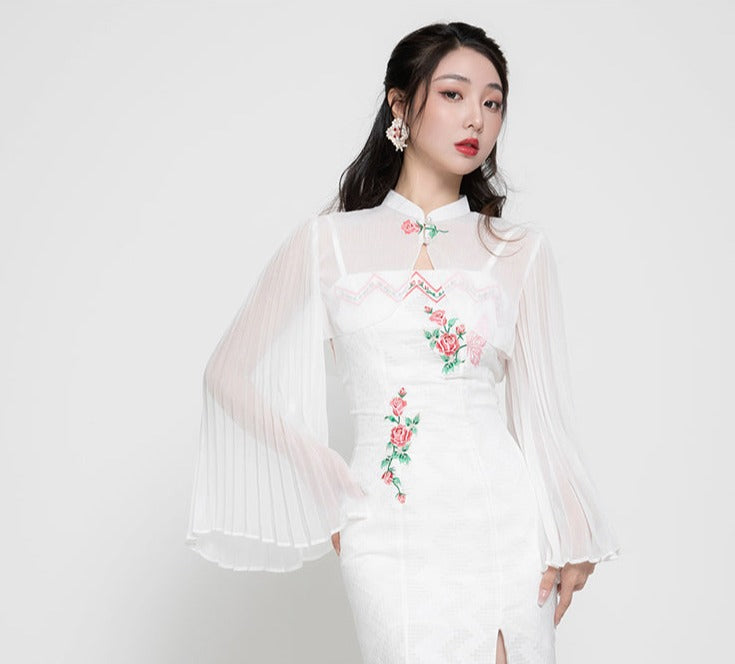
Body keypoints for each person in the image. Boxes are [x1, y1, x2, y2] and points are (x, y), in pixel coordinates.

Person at [185, 21, 621, 664]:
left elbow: (543, 413)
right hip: (386, 526)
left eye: (493, 102)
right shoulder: (327, 243)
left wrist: (572, 528)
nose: (476, 117)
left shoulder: (519, 251)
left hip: (501, 521)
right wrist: (322, 476)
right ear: (400, 104)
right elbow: (226, 374)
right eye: (453, 94)